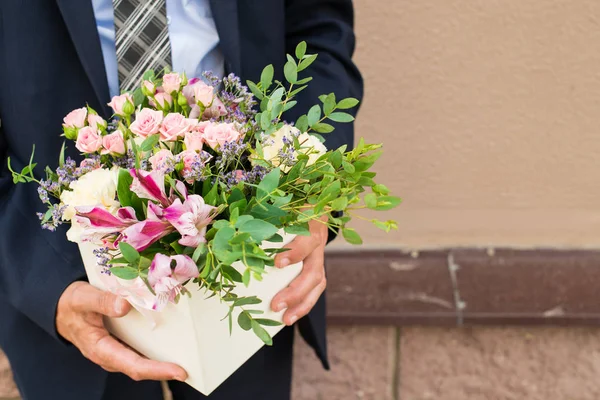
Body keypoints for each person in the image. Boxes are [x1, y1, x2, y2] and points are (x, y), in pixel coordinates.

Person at [0, 0, 363, 399]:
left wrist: (309, 184)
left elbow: (317, 29)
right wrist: (43, 281)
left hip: (245, 228)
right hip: (56, 258)